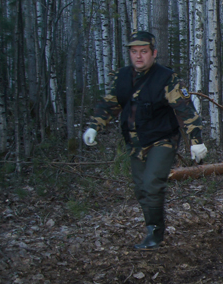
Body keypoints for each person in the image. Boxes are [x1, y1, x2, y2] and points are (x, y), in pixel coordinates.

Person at [83, 31, 207, 250]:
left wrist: (196, 139)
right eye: (134, 52)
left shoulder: (166, 78)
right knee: (141, 189)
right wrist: (94, 126)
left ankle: (155, 233)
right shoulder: (122, 77)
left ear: (153, 53)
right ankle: (152, 227)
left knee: (152, 184)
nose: (138, 56)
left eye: (143, 51)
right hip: (135, 141)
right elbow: (110, 104)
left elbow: (185, 109)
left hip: (162, 139)